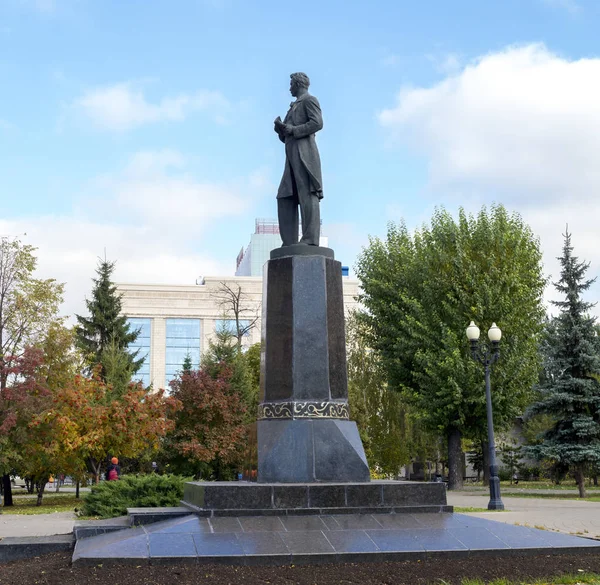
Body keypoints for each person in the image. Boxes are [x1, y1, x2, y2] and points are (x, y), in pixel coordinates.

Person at [274, 72, 323, 247]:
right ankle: (289, 242)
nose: (289, 87)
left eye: (291, 84)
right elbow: (287, 133)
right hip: (291, 156)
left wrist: (293, 130)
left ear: (298, 84)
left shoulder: (309, 100)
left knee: (307, 193)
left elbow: (317, 123)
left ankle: (310, 239)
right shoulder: (293, 106)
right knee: (285, 195)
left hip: (305, 155)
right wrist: (281, 130)